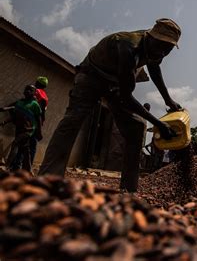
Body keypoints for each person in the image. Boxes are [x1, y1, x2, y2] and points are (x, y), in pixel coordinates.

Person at [39, 18, 182, 192]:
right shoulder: (128, 47)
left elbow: (154, 70)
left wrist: (168, 100)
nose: (162, 53)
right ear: (151, 36)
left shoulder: (157, 50)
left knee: (135, 127)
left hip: (113, 84)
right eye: (161, 46)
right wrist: (158, 123)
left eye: (167, 49)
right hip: (91, 77)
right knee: (73, 121)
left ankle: (129, 189)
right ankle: (48, 179)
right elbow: (127, 97)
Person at [0, 85, 43, 172]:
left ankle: (7, 167)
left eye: (31, 90)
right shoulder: (20, 103)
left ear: (34, 93)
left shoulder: (35, 105)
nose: (28, 91)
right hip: (19, 129)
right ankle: (28, 170)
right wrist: (5, 122)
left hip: (28, 130)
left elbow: (39, 120)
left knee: (15, 143)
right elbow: (15, 116)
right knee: (25, 149)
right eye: (26, 89)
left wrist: (39, 132)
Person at [29, 76, 49, 166]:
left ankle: (17, 166)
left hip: (30, 120)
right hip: (38, 121)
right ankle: (28, 166)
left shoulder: (35, 91)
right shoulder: (45, 96)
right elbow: (43, 112)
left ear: (37, 83)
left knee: (25, 143)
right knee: (32, 145)